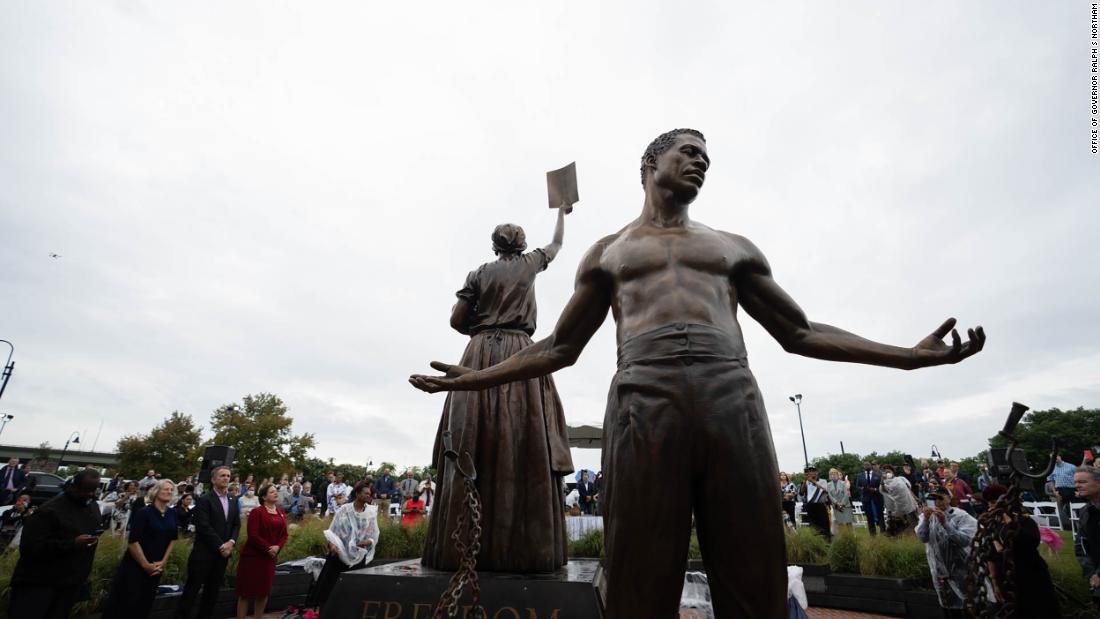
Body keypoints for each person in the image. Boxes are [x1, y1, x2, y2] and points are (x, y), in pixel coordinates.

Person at [410, 128, 985, 618]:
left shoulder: (731, 248)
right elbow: (560, 346)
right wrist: (471, 379)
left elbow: (801, 332)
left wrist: (908, 356)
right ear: (649, 166)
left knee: (754, 567)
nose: (700, 162)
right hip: (644, 399)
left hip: (731, 398)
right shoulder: (608, 254)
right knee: (637, 573)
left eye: (705, 158)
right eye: (687, 152)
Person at [419, 205, 573, 573]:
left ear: (494, 246)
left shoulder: (478, 273)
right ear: (521, 246)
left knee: (471, 437)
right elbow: (556, 244)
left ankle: (456, 550)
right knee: (525, 435)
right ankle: (524, 548)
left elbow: (457, 320)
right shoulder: (530, 263)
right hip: (521, 353)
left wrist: (482, 327)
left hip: (477, 353)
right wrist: (563, 213)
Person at [8, 469, 101, 619]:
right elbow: (30, 548)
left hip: (69, 583)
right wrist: (72, 544)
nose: (90, 494)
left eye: (93, 490)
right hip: (39, 584)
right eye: (86, 490)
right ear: (74, 486)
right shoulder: (50, 510)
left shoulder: (92, 507)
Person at [978, 484, 1059, 617]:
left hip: (1030, 577)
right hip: (1006, 580)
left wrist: (1006, 518)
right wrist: (994, 581)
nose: (990, 507)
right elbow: (990, 555)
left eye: (993, 503)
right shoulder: (993, 525)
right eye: (988, 503)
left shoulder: (1024, 522)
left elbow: (1030, 542)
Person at [101, 480, 179, 618]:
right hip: (136, 565)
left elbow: (173, 539)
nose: (169, 492)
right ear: (156, 491)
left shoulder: (172, 513)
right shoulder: (144, 512)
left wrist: (163, 561)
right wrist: (145, 564)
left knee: (145, 603)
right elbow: (133, 541)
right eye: (165, 489)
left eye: (171, 490)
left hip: (156, 566)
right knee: (126, 603)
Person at [175, 466, 240, 619]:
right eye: (222, 475)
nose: (226, 478)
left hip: (222, 556)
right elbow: (203, 527)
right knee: (191, 591)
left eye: (228, 475)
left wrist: (231, 542)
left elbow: (236, 524)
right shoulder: (204, 499)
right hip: (203, 554)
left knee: (212, 593)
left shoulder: (233, 499)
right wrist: (221, 545)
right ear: (213, 479)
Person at [306, 481, 379, 612]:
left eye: (370, 494)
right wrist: (332, 545)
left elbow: (374, 536)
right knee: (328, 589)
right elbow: (332, 532)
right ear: (357, 494)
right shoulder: (344, 510)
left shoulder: (371, 513)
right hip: (338, 555)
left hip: (357, 557)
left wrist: (366, 542)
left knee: (353, 591)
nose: (369, 496)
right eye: (366, 493)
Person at [917, 486, 978, 618]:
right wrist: (926, 521)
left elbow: (964, 540)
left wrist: (945, 523)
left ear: (949, 498)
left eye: (940, 498)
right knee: (947, 606)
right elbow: (923, 537)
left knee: (968, 604)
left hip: (961, 569)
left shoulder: (960, 515)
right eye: (934, 499)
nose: (937, 502)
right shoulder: (926, 516)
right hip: (939, 571)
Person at [235, 484, 287, 619]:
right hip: (253, 557)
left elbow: (284, 535)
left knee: (263, 592)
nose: (276, 494)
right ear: (264, 497)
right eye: (272, 492)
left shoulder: (281, 512)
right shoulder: (257, 512)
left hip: (269, 558)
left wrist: (277, 547)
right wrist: (268, 548)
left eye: (276, 492)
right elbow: (253, 535)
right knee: (246, 592)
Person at [1075, 465, 1100, 610]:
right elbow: (1080, 545)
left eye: (1082, 482)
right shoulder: (1085, 512)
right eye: (1075, 482)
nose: (1077, 486)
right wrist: (1091, 574)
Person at [881, 466, 919, 535]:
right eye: (885, 472)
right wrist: (882, 482)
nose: (887, 473)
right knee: (898, 529)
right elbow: (884, 490)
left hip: (908, 504)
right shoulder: (884, 483)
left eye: (889, 471)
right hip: (895, 509)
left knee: (913, 524)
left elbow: (908, 489)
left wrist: (915, 498)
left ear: (893, 472)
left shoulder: (901, 479)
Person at [798, 466, 831, 541]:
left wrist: (813, 481)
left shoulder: (823, 481)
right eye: (809, 471)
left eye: (813, 471)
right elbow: (801, 493)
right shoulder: (806, 481)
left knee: (824, 523)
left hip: (820, 505)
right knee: (813, 524)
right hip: (810, 506)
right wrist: (805, 481)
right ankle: (816, 540)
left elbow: (825, 490)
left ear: (816, 472)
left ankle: (827, 539)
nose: (811, 473)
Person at [1048, 454, 1078, 531]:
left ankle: (1078, 526)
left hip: (1072, 490)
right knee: (1060, 510)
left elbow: (1078, 478)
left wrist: (1078, 490)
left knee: (1075, 509)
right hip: (1059, 491)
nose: (1054, 459)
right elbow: (1051, 481)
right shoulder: (1051, 468)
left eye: (1055, 457)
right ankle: (1066, 527)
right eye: (1052, 458)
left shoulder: (1071, 466)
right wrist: (1054, 491)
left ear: (1059, 456)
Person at [855, 461, 885, 535]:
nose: (866, 466)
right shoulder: (860, 476)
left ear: (871, 466)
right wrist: (863, 489)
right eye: (865, 465)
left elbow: (881, 487)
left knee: (880, 515)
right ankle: (872, 534)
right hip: (866, 498)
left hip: (877, 497)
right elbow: (857, 487)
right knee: (869, 516)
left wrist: (875, 489)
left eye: (868, 465)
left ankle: (883, 532)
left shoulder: (878, 475)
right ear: (863, 466)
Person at [826, 468, 852, 533]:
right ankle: (843, 537)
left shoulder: (843, 483)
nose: (833, 475)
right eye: (831, 474)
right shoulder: (828, 485)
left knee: (848, 522)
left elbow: (846, 494)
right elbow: (830, 496)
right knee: (840, 523)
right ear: (829, 475)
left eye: (834, 473)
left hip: (845, 505)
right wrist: (837, 503)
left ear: (837, 474)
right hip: (836, 506)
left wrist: (842, 504)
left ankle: (852, 537)